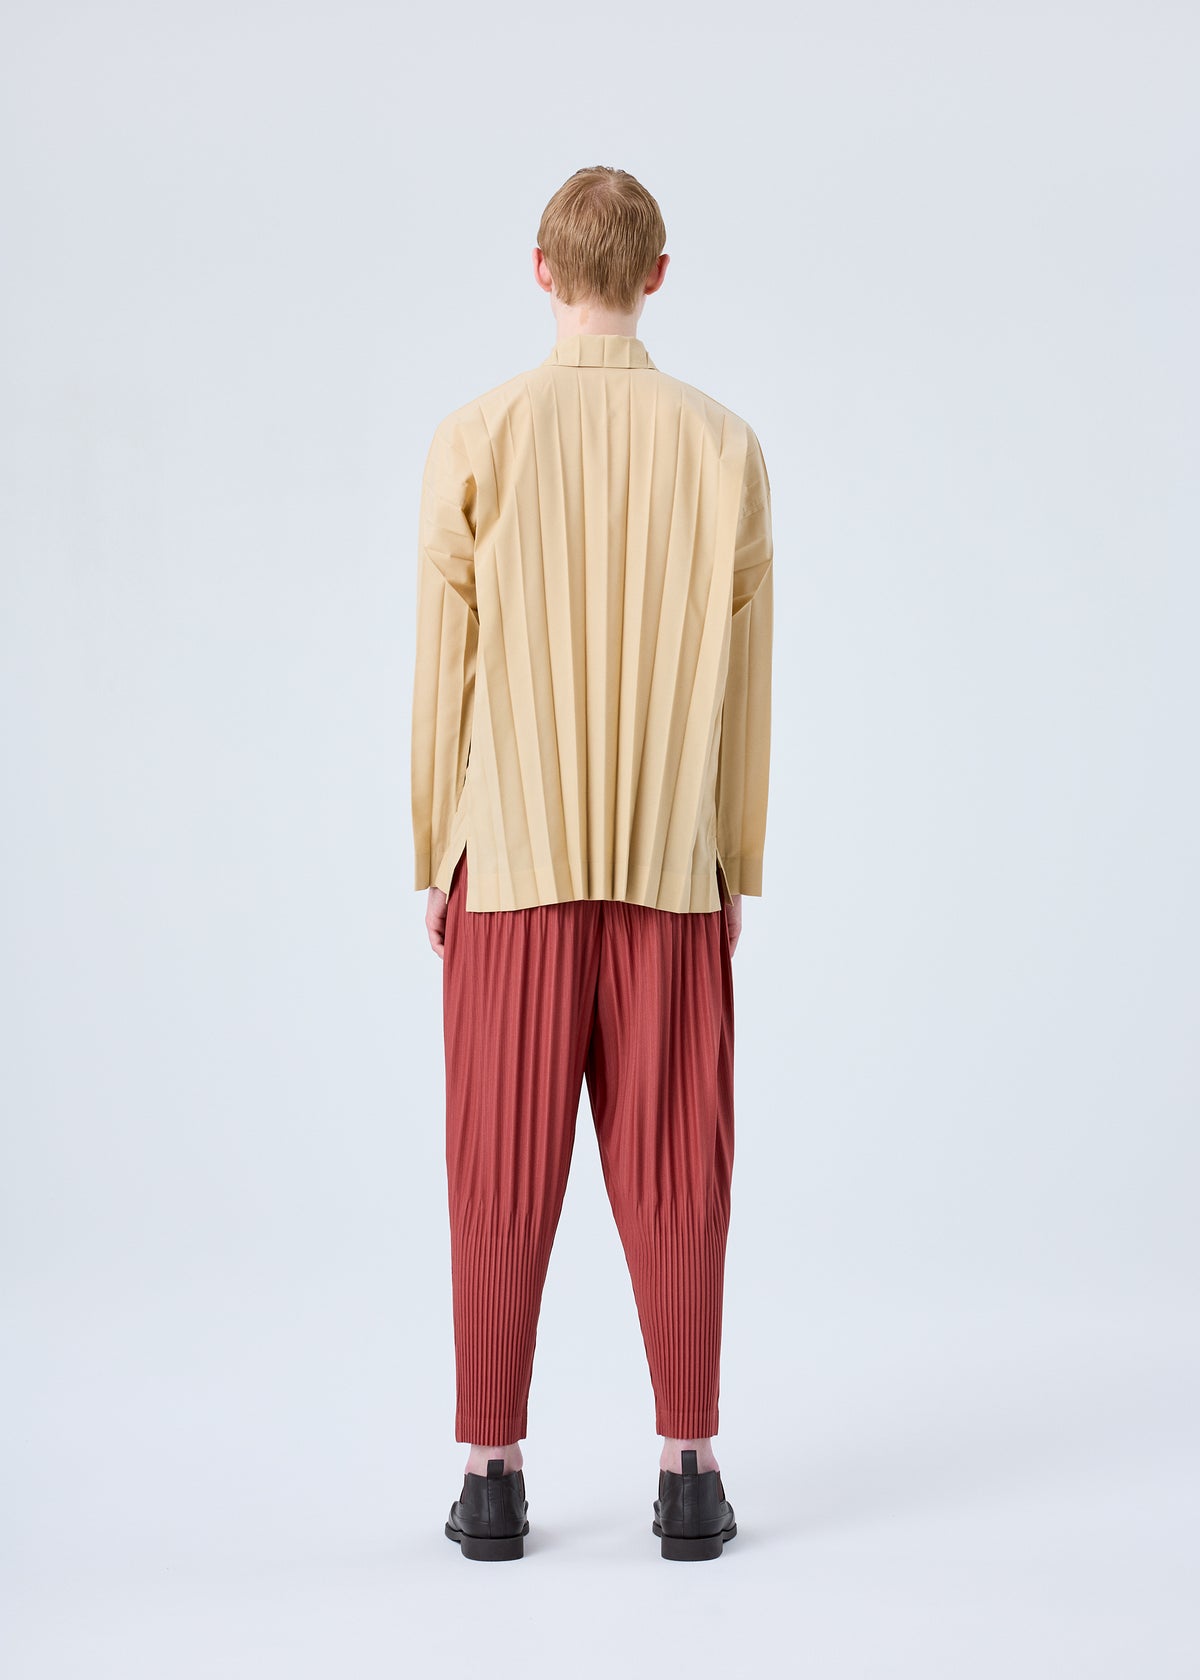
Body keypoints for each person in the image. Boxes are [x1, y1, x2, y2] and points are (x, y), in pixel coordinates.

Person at [411, 165, 774, 1562]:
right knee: (680, 1167)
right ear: (659, 274)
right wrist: (733, 856)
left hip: (510, 861)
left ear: (542, 268)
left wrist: (433, 846)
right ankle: (688, 1466)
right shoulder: (725, 447)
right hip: (670, 863)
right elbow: (746, 678)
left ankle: (492, 1474)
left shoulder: (476, 436)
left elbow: (444, 667)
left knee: (498, 1174)